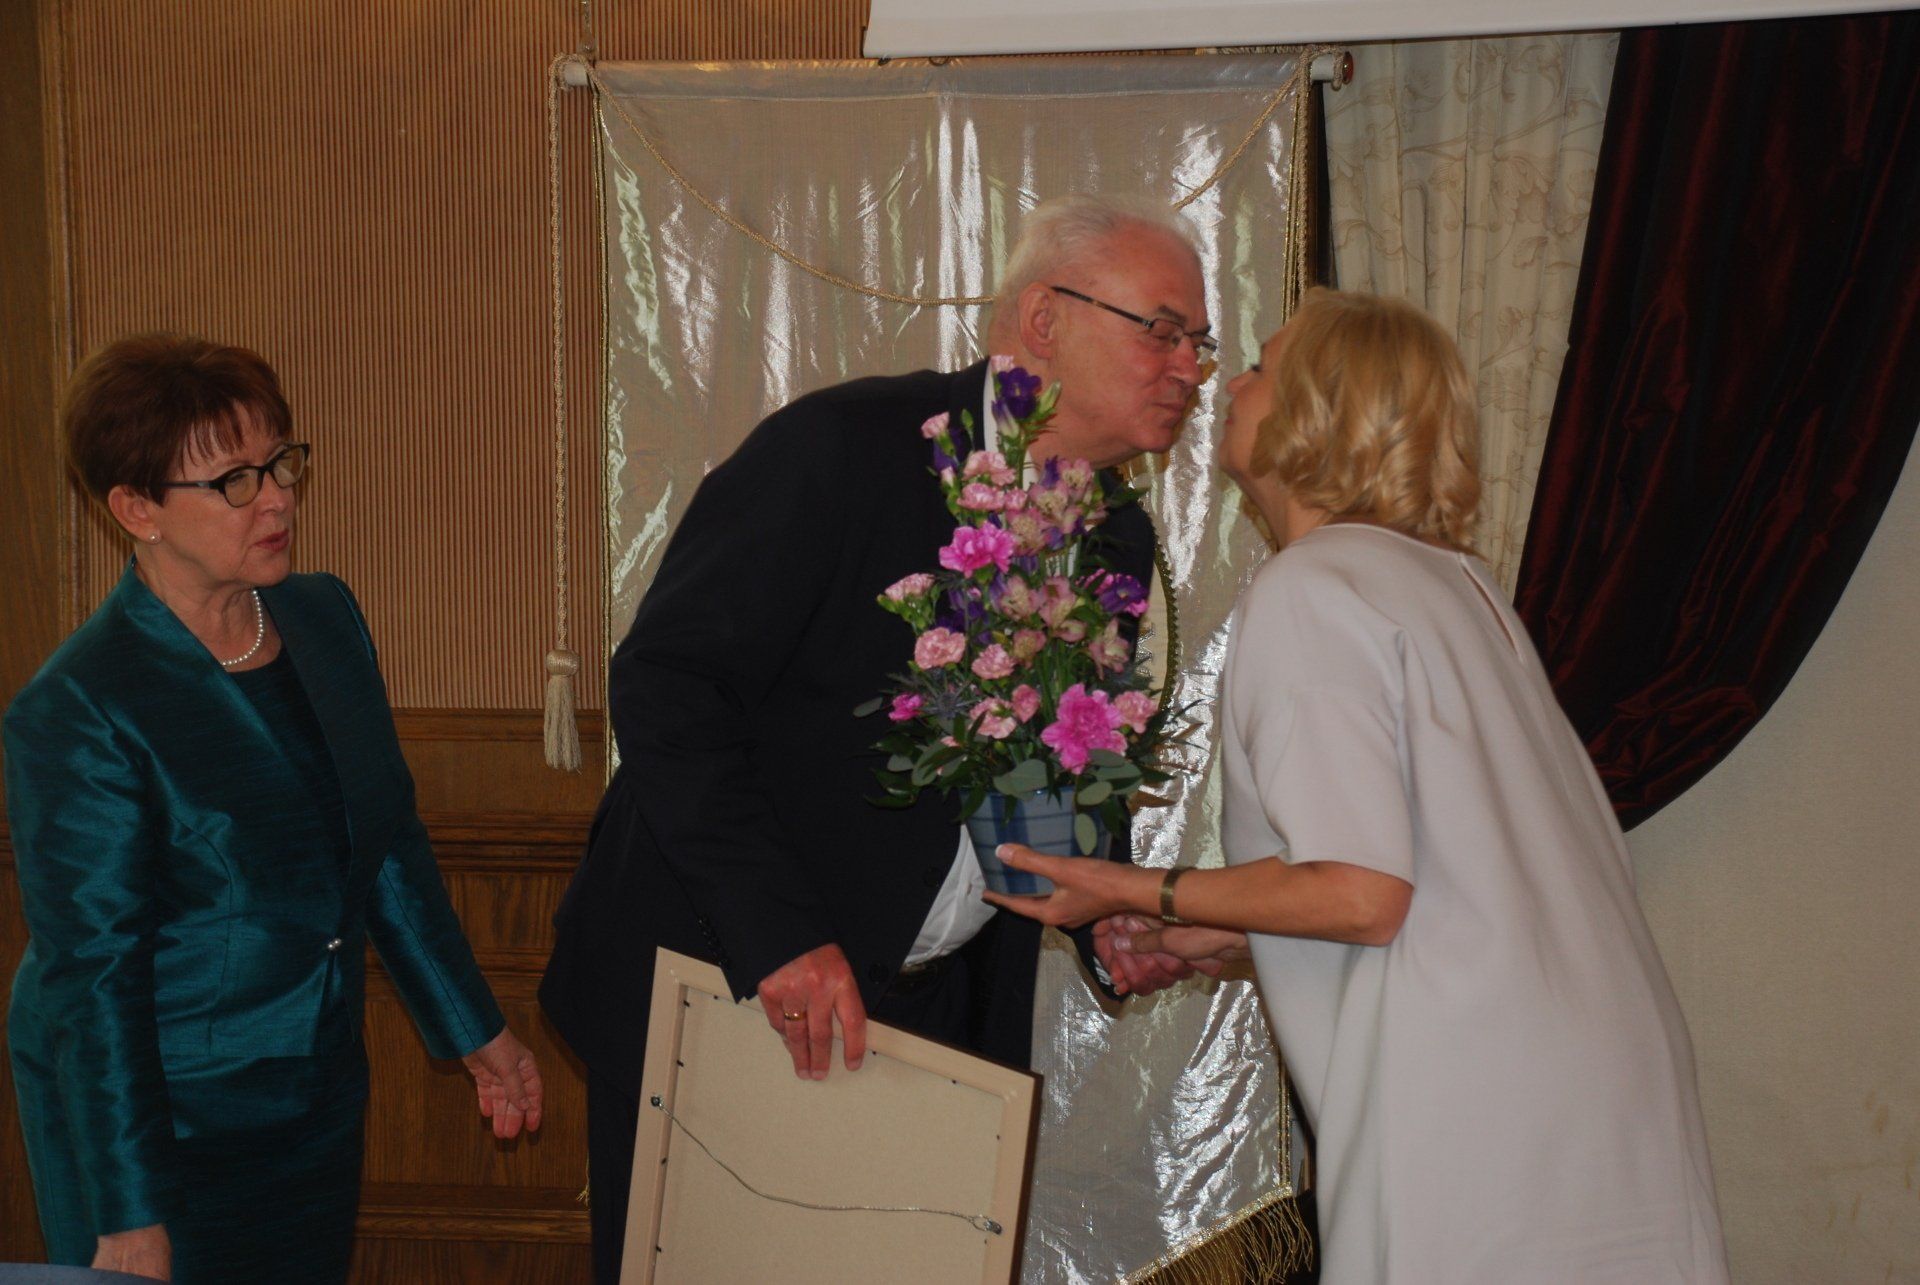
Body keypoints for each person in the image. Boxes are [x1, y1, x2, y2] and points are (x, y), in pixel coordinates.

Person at [986, 289, 1731, 1282]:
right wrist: (1229, 935)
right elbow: (1448, 880)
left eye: (1261, 367)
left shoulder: (1316, 586)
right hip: (1601, 1086)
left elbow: (1362, 892)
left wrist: (1133, 889)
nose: (1228, 385)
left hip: (1475, 1107)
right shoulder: (1456, 585)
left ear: (1319, 408)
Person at [539, 193, 1213, 1283]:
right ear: (1045, 320)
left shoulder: (1115, 535)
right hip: (731, 980)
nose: (1190, 367)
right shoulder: (846, 450)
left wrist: (1109, 916)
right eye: (1164, 330)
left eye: (1201, 343)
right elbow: (668, 685)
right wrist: (779, 938)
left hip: (931, 1021)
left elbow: (1053, 771)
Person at [5, 335, 545, 1283]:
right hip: (160, 1124)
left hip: (314, 1093)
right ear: (136, 509)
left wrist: (476, 1029)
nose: (277, 499)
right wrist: (129, 1218)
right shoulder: (83, 706)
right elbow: (95, 982)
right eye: (234, 481)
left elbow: (384, 840)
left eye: (281, 461)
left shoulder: (323, 616)